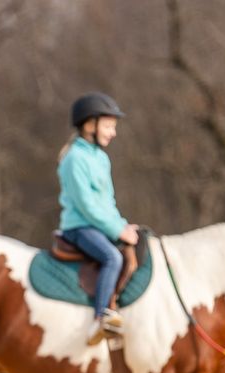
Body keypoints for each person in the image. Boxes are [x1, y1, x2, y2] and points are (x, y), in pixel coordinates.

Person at [57, 92, 141, 345]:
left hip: (99, 224)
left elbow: (107, 202)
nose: (113, 132)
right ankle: (100, 319)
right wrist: (117, 230)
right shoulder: (75, 159)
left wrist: (122, 224)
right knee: (112, 257)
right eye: (108, 126)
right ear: (89, 125)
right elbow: (87, 206)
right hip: (79, 226)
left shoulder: (101, 158)